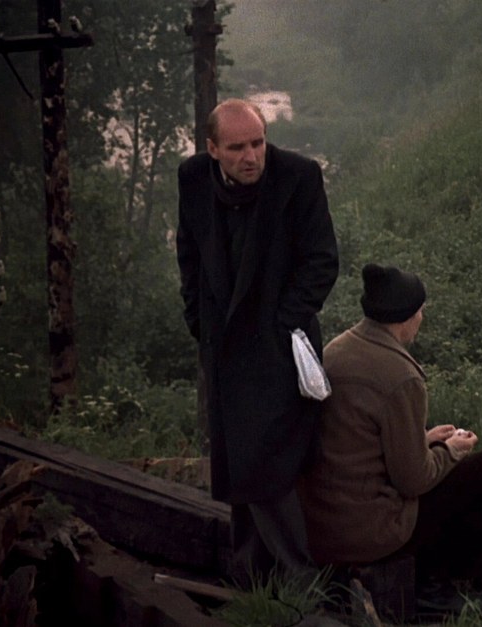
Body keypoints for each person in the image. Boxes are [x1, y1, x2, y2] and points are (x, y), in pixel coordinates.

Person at [175, 98, 339, 583]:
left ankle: (297, 576)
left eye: (258, 143)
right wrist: (198, 320)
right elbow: (189, 253)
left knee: (270, 457)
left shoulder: (298, 177)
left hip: (277, 347)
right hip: (224, 345)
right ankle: (250, 573)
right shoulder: (193, 179)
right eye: (237, 148)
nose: (251, 157)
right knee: (239, 456)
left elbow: (322, 262)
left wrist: (279, 324)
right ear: (212, 149)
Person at [299, 263, 482, 607]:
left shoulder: (337, 349)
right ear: (406, 318)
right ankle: (437, 587)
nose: (422, 319)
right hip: (365, 533)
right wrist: (452, 451)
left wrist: (423, 440)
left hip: (319, 524)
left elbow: (355, 440)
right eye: (421, 312)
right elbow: (413, 480)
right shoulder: (402, 377)